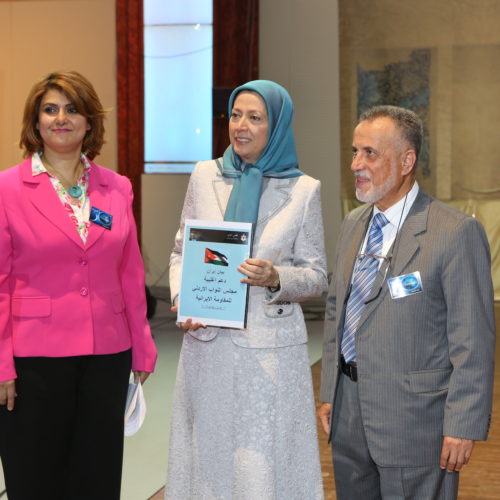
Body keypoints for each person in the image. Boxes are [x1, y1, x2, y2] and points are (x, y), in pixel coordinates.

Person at [318, 105, 495, 500]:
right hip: (349, 414)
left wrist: (463, 424)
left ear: (406, 161)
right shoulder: (353, 224)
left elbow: (473, 340)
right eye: (354, 151)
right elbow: (337, 311)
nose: (355, 164)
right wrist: (331, 390)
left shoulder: (454, 232)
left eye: (370, 153)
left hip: (416, 422)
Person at [165, 80, 327, 499]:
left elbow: (316, 274)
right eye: (236, 115)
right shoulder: (205, 175)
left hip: (270, 355)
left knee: (261, 463)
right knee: (209, 458)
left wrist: (276, 277)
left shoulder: (303, 189)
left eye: (255, 118)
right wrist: (184, 299)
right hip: (207, 344)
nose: (241, 126)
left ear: (276, 126)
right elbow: (182, 249)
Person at [0, 71, 157, 500]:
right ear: (35, 123)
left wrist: (142, 344)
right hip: (34, 358)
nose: (60, 118)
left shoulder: (116, 187)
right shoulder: (7, 188)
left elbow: (130, 271)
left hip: (107, 353)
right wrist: (1, 363)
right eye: (50, 109)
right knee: (35, 476)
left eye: (72, 109)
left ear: (90, 122)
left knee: (97, 474)